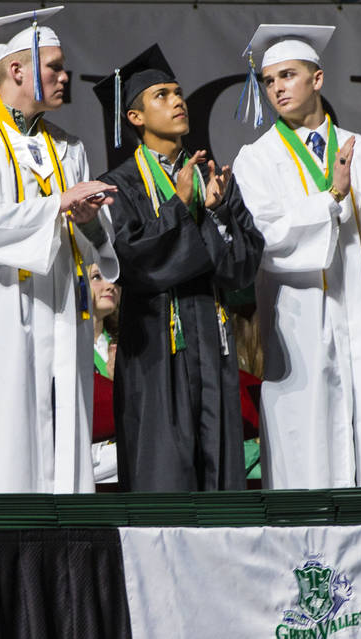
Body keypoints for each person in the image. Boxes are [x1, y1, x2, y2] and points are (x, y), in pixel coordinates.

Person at [232, 24, 361, 489]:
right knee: (308, 430)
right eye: (269, 80)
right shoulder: (256, 160)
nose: (277, 87)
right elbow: (266, 237)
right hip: (299, 320)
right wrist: (333, 197)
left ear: (316, 80)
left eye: (288, 75)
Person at [0, 9, 119, 494]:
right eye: (54, 67)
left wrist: (89, 226)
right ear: (17, 70)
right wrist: (55, 204)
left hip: (63, 313)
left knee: (65, 446)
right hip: (4, 315)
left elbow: (89, 240)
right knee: (8, 443)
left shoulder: (69, 147)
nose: (65, 77)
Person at [93, 44, 264, 491]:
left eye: (179, 92)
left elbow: (241, 271)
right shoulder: (117, 185)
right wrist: (181, 208)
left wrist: (219, 213)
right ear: (135, 117)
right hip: (154, 352)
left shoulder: (214, 178)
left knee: (221, 483)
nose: (178, 101)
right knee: (162, 480)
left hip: (213, 346)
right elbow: (133, 266)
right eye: (162, 95)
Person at [89, 263, 119, 380]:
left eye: (114, 278)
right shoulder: (68, 347)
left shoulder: (124, 344)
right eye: (97, 277)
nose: (110, 285)